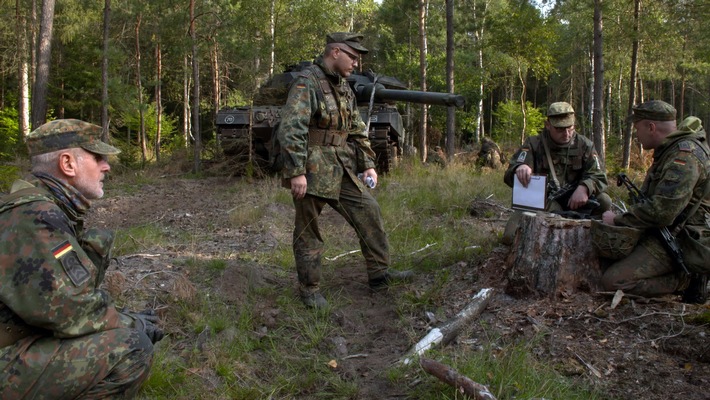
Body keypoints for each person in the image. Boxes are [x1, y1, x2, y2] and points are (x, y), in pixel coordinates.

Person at [0, 119, 164, 398]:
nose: (106, 166)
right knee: (132, 348)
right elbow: (70, 312)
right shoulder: (36, 216)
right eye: (97, 157)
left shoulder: (33, 208)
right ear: (67, 164)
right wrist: (130, 323)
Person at [276, 32, 413, 309]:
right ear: (335, 52)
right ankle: (310, 290)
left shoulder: (343, 87)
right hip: (312, 169)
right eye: (352, 56)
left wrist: (369, 164)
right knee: (308, 231)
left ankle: (379, 274)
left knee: (368, 210)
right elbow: (292, 128)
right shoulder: (307, 82)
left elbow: (357, 129)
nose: (355, 63)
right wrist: (296, 171)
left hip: (341, 167)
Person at [599, 101, 710, 303]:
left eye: (638, 128)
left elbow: (663, 211)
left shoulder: (684, 158)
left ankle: (685, 279)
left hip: (680, 238)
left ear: (651, 127)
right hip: (666, 230)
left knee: (613, 282)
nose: (636, 135)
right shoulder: (671, 150)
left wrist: (618, 220)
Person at [501, 101, 612, 243]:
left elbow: (599, 175)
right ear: (548, 125)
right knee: (510, 237)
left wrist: (585, 187)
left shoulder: (585, 145)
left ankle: (589, 236)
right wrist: (519, 169)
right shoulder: (534, 144)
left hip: (576, 203)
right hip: (544, 203)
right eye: (560, 129)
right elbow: (509, 174)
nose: (566, 133)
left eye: (570, 128)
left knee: (604, 200)